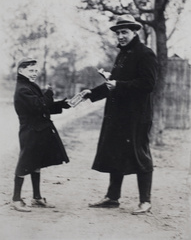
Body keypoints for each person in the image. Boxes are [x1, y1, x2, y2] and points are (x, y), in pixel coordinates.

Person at [82, 14, 158, 214]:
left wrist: (119, 85)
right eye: (118, 33)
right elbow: (112, 85)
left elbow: (148, 84)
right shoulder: (122, 55)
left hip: (137, 116)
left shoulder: (145, 54)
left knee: (139, 154)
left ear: (134, 32)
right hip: (117, 114)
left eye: (124, 32)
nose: (121, 36)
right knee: (116, 153)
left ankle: (145, 201)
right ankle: (112, 197)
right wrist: (91, 94)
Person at [11, 57, 71, 212]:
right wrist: (49, 93)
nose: (34, 73)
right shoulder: (23, 89)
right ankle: (15, 199)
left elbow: (43, 106)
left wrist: (62, 105)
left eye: (36, 70)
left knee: (36, 163)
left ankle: (37, 198)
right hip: (30, 131)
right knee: (24, 163)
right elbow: (40, 105)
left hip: (37, 130)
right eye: (31, 70)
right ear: (20, 71)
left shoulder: (29, 86)